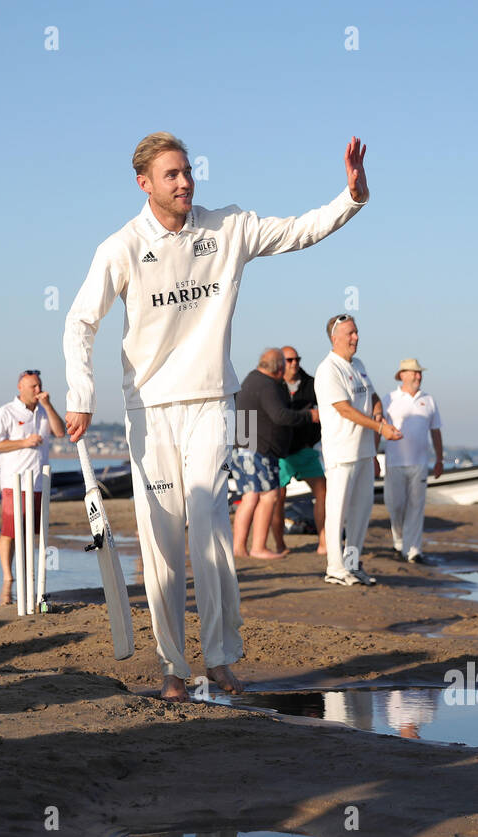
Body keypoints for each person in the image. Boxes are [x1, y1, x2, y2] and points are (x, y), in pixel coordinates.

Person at [63, 131, 369, 701]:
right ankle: (172, 667)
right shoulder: (122, 246)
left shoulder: (227, 227)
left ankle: (222, 657)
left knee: (210, 527)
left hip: (210, 402)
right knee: (161, 539)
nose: (185, 182)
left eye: (187, 171)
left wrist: (350, 197)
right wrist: (81, 392)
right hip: (150, 410)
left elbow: (298, 231)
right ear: (144, 184)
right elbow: (81, 321)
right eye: (171, 175)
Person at [315, 315, 400, 585]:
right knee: (338, 510)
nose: (356, 337)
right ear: (335, 337)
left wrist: (378, 412)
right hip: (341, 452)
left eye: (356, 332)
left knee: (361, 511)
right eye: (350, 333)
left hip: (364, 451)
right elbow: (344, 409)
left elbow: (371, 395)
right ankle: (334, 567)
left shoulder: (358, 365)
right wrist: (380, 429)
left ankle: (352, 564)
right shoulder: (328, 369)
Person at [230, 349, 317, 559]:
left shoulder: (251, 380)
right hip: (258, 450)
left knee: (250, 497)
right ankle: (258, 547)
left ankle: (239, 547)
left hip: (243, 447)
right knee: (269, 496)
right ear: (279, 368)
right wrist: (309, 415)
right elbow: (280, 416)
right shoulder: (266, 385)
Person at [0, 369, 63, 590]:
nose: (38, 390)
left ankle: (28, 573)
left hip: (39, 481)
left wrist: (48, 405)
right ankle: (8, 577)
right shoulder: (6, 412)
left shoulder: (43, 411)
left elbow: (60, 432)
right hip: (14, 482)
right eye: (33, 386)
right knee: (10, 531)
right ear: (21, 388)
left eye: (40, 385)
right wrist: (23, 442)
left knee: (31, 532)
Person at [383, 358, 443, 563]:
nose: (418, 376)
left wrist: (439, 459)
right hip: (394, 462)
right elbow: (378, 428)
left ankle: (414, 550)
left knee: (416, 506)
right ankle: (399, 541)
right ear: (402, 375)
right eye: (414, 372)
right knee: (396, 506)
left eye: (420, 373)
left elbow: (435, 431)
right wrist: (373, 456)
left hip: (420, 463)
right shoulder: (389, 399)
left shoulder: (429, 400)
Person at [272, 345, 327, 555]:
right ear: (281, 362)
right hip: (281, 453)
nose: (294, 363)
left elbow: (327, 409)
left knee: (323, 492)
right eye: (290, 360)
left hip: (305, 450)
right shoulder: (272, 385)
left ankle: (324, 542)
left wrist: (315, 437)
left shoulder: (312, 384)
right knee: (277, 499)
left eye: (297, 359)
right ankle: (280, 545)